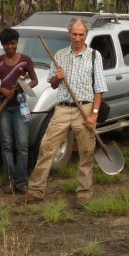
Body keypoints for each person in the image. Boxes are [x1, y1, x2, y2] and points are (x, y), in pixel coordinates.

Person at [20, 18, 107, 209]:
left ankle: (84, 194)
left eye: (81, 34)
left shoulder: (94, 56)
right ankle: (35, 190)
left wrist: (93, 114)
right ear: (70, 34)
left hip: (84, 108)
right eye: (74, 34)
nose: (77, 38)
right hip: (62, 109)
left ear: (86, 34)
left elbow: (99, 89)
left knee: (86, 152)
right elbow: (52, 84)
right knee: (46, 147)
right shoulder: (59, 55)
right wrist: (57, 79)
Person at [0, 28, 38, 194]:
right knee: (7, 145)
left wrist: (23, 86)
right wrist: (2, 91)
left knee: (22, 145)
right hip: (3, 106)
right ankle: (9, 180)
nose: (10, 47)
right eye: (6, 45)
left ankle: (22, 181)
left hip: (20, 106)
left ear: (17, 43)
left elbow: (35, 80)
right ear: (2, 45)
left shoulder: (25, 60)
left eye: (13, 43)